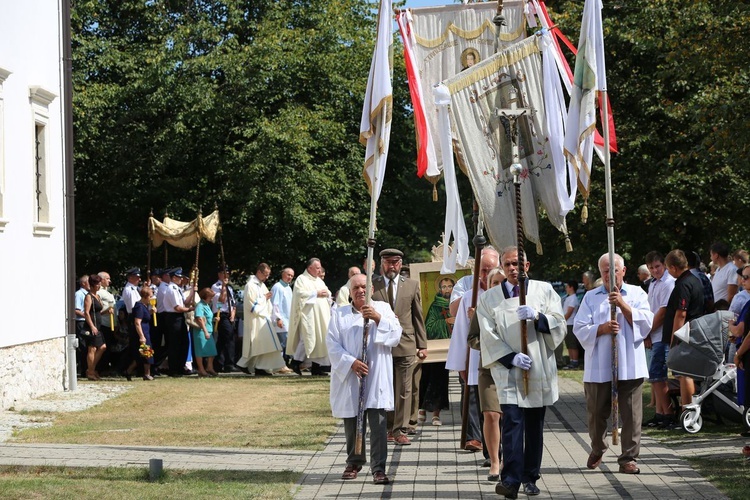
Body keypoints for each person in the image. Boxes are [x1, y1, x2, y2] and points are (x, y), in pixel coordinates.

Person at [477, 246, 565, 499]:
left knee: (534, 425)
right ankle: (511, 480)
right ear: (502, 268)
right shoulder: (490, 298)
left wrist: (539, 317)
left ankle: (531, 476)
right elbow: (487, 333)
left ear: (527, 265)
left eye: (518, 264)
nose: (514, 269)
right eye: (508, 265)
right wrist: (510, 356)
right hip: (509, 370)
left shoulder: (544, 290)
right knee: (512, 423)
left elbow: (559, 322)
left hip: (537, 367)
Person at [574, 253, 654, 475]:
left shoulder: (637, 293)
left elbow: (646, 324)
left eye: (614, 270)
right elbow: (579, 328)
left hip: (629, 362)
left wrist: (622, 304)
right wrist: (602, 329)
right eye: (605, 271)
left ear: (623, 271)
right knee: (596, 411)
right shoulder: (591, 297)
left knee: (631, 414)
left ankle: (628, 457)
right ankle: (598, 447)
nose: (610, 274)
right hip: (599, 364)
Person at [326, 273, 402, 485]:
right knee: (352, 421)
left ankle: (379, 468)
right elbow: (332, 343)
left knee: (378, 423)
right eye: (355, 288)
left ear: (370, 289)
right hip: (352, 375)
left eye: (363, 287)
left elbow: (396, 336)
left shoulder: (384, 308)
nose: (360, 291)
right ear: (349, 292)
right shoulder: (339, 314)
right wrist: (350, 362)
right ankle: (354, 460)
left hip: (376, 374)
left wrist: (377, 317)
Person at [447, 247, 501, 452]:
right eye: (483, 270)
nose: (486, 275)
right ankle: (474, 437)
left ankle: (494, 445)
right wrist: (460, 362)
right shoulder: (468, 292)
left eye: (491, 270)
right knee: (471, 393)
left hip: (499, 354)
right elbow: (460, 330)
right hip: (475, 351)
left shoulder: (506, 292)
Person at [372, 248, 428, 446]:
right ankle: (388, 426)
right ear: (381, 264)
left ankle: (400, 429)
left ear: (401, 263)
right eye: (388, 262)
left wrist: (422, 345)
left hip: (406, 342)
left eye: (395, 262)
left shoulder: (411, 285)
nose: (392, 266)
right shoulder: (373, 285)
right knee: (384, 387)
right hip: (381, 344)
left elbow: (417, 317)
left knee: (404, 388)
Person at [664, 250, 705, 419]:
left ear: (673, 267)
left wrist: (675, 338)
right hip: (692, 331)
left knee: (684, 374)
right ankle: (687, 409)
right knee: (683, 374)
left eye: (667, 268)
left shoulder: (684, 283)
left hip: (686, 334)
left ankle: (687, 411)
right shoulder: (694, 279)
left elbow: (681, 313)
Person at [642, 251, 676, 429]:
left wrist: (647, 331)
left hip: (661, 334)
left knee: (659, 375)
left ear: (664, 265)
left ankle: (668, 414)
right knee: (654, 377)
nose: (655, 270)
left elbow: (663, 313)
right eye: (651, 268)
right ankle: (660, 413)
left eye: (657, 266)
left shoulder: (668, 283)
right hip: (653, 335)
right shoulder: (653, 284)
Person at [287, 258, 332, 376]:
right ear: (309, 268)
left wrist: (327, 294)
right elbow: (299, 294)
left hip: (321, 316)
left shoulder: (319, 281)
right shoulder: (302, 279)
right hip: (309, 315)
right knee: (307, 339)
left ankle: (316, 368)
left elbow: (328, 292)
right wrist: (315, 293)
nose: (319, 270)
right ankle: (296, 362)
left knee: (321, 340)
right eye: (317, 268)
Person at [238, 263, 285, 376]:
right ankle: (253, 366)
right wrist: (264, 298)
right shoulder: (250, 285)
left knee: (264, 344)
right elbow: (251, 305)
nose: (267, 277)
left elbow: (267, 301)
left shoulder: (261, 285)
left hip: (264, 318)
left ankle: (259, 366)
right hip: (256, 318)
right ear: (259, 272)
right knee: (260, 343)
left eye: (268, 275)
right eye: (266, 274)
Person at [419, 277, 454, 427]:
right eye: (444, 287)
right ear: (439, 289)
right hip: (434, 346)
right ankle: (421, 410)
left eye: (449, 286)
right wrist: (446, 322)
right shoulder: (435, 306)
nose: (447, 289)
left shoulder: (457, 304)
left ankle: (436, 413)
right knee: (426, 377)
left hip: (449, 348)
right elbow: (429, 326)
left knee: (441, 380)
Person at [212, 266, 239, 373]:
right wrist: (223, 286)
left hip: (229, 315)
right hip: (220, 314)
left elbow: (233, 303)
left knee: (222, 340)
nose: (226, 275)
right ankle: (229, 363)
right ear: (219, 274)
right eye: (224, 273)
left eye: (227, 273)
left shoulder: (230, 288)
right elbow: (222, 300)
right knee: (229, 337)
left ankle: (218, 363)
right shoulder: (216, 286)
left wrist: (233, 314)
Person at [126, 286, 155, 381]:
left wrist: (150, 312)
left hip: (146, 331)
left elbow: (144, 317)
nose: (151, 298)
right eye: (150, 296)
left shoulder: (144, 306)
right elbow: (137, 322)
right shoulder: (139, 306)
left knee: (144, 354)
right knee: (146, 353)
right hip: (142, 333)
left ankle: (129, 371)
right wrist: (141, 336)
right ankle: (146, 374)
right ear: (146, 296)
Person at [83, 274, 107, 381]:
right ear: (92, 285)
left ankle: (91, 369)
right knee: (92, 349)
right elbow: (87, 313)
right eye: (97, 284)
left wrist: (107, 311)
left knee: (102, 347)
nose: (99, 286)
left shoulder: (97, 296)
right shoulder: (89, 296)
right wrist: (92, 326)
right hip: (91, 326)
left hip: (98, 326)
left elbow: (99, 311)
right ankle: (91, 372)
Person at [271, 267, 295, 371]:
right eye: (288, 274)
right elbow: (275, 304)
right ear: (282, 274)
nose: (290, 277)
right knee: (281, 343)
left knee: (286, 343)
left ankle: (283, 364)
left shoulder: (288, 288)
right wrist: (278, 318)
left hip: (288, 320)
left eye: (292, 276)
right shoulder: (278, 287)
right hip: (281, 320)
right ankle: (279, 365)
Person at [192, 287, 218, 377]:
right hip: (201, 331)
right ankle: (201, 369)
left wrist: (214, 319)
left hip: (209, 331)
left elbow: (207, 317)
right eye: (211, 297)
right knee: (200, 351)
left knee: (212, 351)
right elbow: (199, 318)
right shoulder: (200, 305)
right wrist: (205, 331)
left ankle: (209, 367)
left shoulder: (207, 305)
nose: (212, 298)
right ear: (206, 296)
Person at [562, 280, 581, 370]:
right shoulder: (568, 298)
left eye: (567, 286)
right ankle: (571, 360)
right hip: (567, 323)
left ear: (571, 287)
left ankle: (575, 361)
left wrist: (562, 320)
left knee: (572, 343)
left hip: (571, 323)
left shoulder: (573, 298)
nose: (566, 288)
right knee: (568, 343)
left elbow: (569, 312)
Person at [74, 275, 90, 377]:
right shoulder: (79, 294)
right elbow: (76, 310)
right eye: (89, 282)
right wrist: (87, 316)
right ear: (83, 283)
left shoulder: (88, 294)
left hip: (87, 322)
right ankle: (83, 369)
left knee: (88, 346)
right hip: (81, 322)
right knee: (83, 346)